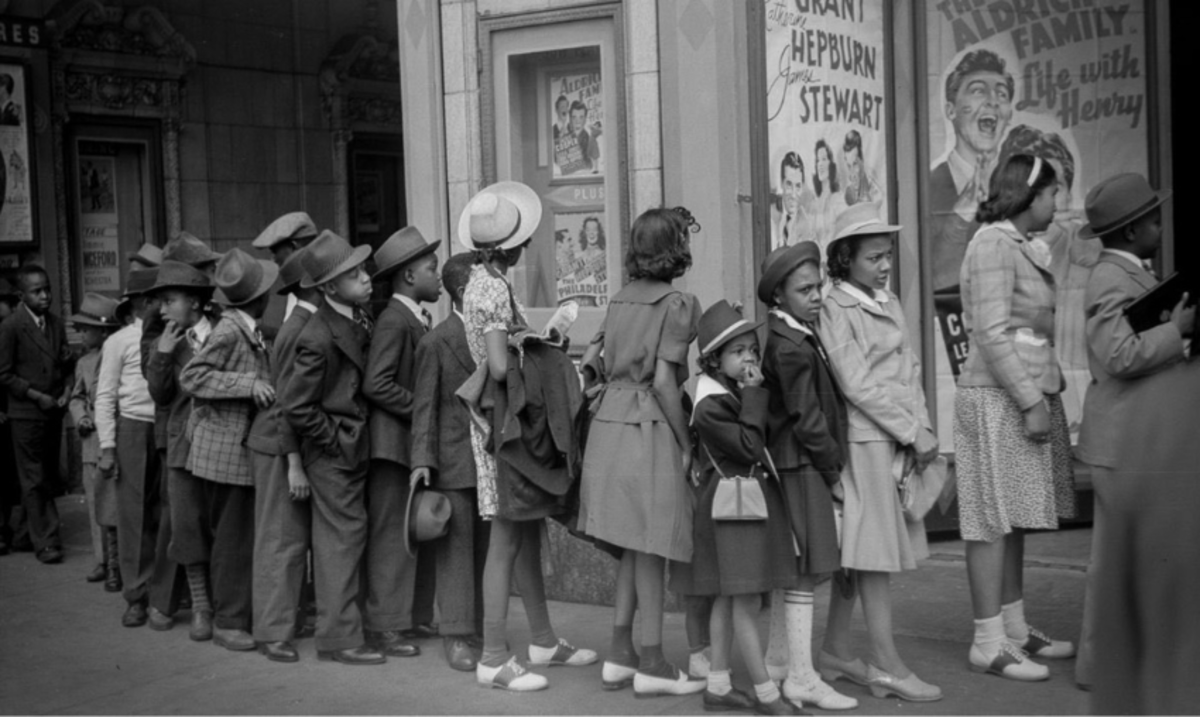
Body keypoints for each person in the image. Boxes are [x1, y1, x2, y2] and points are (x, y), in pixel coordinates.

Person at [460, 181, 597, 691]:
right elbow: (499, 366)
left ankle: (542, 640)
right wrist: (535, 341)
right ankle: (494, 656)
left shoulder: (480, 282)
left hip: (500, 422)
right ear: (511, 247)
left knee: (521, 532)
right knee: (506, 538)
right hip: (506, 428)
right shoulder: (493, 289)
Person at [955, 153, 1077, 682]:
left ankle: (1014, 628)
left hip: (1017, 393)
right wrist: (1030, 400)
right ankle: (987, 641)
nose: (1057, 203)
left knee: (1015, 517)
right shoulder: (992, 244)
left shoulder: (1020, 243)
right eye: (1051, 194)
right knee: (990, 518)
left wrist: (1044, 389)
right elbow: (990, 331)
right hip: (995, 396)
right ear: (1028, 195)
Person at [1071, 174, 1190, 703]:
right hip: (1121, 444)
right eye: (1155, 221)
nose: (1162, 228)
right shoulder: (1110, 279)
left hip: (1135, 440)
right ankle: (1101, 665)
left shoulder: (1130, 273)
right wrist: (1176, 331)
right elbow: (1117, 355)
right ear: (1133, 229)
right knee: (1115, 560)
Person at [817, 203, 942, 702]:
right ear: (845, 259)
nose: (885, 265)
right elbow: (856, 385)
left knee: (864, 549)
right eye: (874, 257)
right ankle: (886, 664)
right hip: (866, 440)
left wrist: (922, 427)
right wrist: (912, 430)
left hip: (896, 436)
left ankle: (835, 650)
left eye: (887, 254)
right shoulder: (835, 307)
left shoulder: (886, 299)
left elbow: (910, 368)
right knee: (872, 554)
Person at [581, 206, 703, 698]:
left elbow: (597, 362)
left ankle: (620, 653)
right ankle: (652, 661)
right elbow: (666, 382)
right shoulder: (677, 303)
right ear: (676, 249)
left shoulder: (618, 299)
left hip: (608, 425)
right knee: (652, 544)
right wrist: (686, 441)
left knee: (632, 545)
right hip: (647, 426)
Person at [688, 300, 803, 715]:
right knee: (745, 601)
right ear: (713, 360)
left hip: (738, 509)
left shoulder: (731, 393)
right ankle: (766, 693)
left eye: (752, 349)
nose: (749, 358)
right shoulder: (710, 404)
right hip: (733, 513)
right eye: (737, 352)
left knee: (729, 597)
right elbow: (751, 446)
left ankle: (718, 685)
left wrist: (752, 394)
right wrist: (754, 395)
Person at [757, 242, 856, 710]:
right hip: (801, 465)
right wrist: (832, 471)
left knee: (792, 568)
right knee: (805, 572)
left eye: (818, 286)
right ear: (779, 294)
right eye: (804, 290)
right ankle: (801, 676)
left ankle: (779, 661)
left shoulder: (792, 333)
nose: (816, 296)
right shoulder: (792, 345)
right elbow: (808, 418)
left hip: (793, 463)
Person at [282, 230, 385, 666]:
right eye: (353, 274)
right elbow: (296, 406)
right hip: (335, 456)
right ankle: (339, 639)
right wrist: (337, 440)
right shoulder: (317, 334)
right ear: (328, 288)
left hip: (351, 448)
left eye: (362, 270)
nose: (365, 278)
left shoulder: (357, 317)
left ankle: (346, 630)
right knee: (340, 542)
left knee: (349, 538)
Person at [180, 249, 277, 652]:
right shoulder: (230, 331)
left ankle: (237, 615)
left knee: (237, 536)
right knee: (231, 540)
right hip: (223, 453)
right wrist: (246, 385)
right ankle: (228, 622)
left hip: (233, 450)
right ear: (259, 297)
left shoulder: (245, 327)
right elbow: (192, 376)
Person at [361, 226, 442, 659]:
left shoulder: (412, 316)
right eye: (431, 268)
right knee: (393, 536)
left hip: (408, 445)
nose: (437, 275)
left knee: (414, 531)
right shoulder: (394, 319)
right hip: (392, 447)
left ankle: (411, 616)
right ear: (409, 276)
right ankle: (386, 625)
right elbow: (377, 383)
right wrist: (423, 410)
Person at [411, 252, 487, 672]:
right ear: (463, 292)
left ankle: (477, 627)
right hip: (454, 460)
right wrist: (422, 460)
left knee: (484, 549)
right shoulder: (436, 342)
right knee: (456, 551)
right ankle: (456, 635)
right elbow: (424, 406)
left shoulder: (494, 336)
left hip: (489, 460)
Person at [247, 247, 321, 662]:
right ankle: (272, 630)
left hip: (282, 441)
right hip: (277, 444)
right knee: (281, 540)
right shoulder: (299, 328)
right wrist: (294, 463)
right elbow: (287, 404)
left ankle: (282, 621)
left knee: (287, 539)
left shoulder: (304, 322)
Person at [144, 260, 218, 641]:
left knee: (222, 523)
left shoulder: (224, 331)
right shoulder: (165, 341)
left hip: (223, 443)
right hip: (183, 446)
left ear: (195, 302)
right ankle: (202, 607)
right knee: (186, 526)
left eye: (169, 300)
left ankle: (224, 602)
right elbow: (160, 396)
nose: (162, 310)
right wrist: (162, 354)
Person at [95, 268, 161, 626]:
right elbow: (105, 396)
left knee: (167, 512)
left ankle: (165, 592)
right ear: (144, 302)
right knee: (133, 515)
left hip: (167, 427)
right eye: (160, 298)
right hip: (133, 430)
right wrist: (108, 447)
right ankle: (136, 594)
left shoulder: (171, 335)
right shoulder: (119, 341)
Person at [0, 265, 73, 565]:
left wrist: (67, 389)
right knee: (33, 477)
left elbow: (65, 364)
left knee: (45, 475)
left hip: (53, 411)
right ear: (21, 296)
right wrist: (34, 394)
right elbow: (3, 374)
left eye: (47, 289)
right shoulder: (11, 326)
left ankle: (23, 535)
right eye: (36, 291)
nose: (45, 296)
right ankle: (46, 541)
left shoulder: (55, 323)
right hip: (26, 414)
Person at [929, 49, 1015, 292]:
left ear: (1009, 115)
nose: (992, 101)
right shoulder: (926, 189)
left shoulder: (1019, 186)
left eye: (1001, 94)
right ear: (951, 110)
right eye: (978, 91)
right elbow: (935, 277)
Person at [68, 293, 122, 585]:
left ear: (103, 332)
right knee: (94, 501)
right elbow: (76, 397)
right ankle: (103, 560)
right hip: (92, 443)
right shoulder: (84, 363)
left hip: (116, 439)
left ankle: (121, 561)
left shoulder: (121, 355)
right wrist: (81, 418)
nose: (81, 334)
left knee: (118, 501)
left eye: (86, 329)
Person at [253, 212, 320, 330]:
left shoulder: (325, 289)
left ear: (294, 247)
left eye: (275, 252)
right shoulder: (296, 285)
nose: (272, 259)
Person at [811, 140, 846, 252]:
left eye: (824, 159)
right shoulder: (815, 203)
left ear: (831, 164)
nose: (820, 164)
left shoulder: (839, 200)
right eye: (818, 160)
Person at [841, 130, 880, 206]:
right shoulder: (847, 193)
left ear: (861, 161)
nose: (852, 174)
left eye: (855, 164)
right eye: (849, 166)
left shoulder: (873, 186)